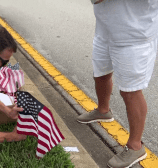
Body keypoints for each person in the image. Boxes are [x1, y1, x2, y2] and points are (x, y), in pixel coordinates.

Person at [77, 0, 158, 167]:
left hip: (134, 36)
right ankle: (103, 110)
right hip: (105, 31)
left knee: (131, 91)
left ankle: (136, 146)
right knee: (100, 74)